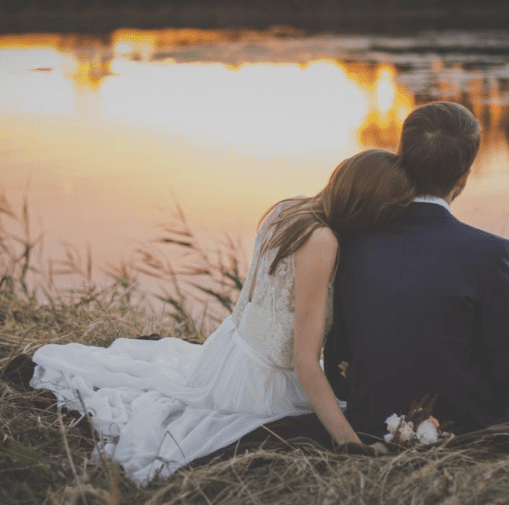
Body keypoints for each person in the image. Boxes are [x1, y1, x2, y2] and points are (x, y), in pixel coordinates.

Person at [28, 149, 415, 484]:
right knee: (346, 419)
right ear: (371, 210)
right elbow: (303, 362)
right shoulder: (322, 241)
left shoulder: (291, 207)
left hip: (228, 351)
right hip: (260, 382)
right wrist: (348, 443)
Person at [324, 101, 509, 440]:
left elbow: (336, 367)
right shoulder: (490, 252)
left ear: (402, 160)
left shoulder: (353, 243)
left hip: (374, 421)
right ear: (464, 176)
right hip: (463, 425)